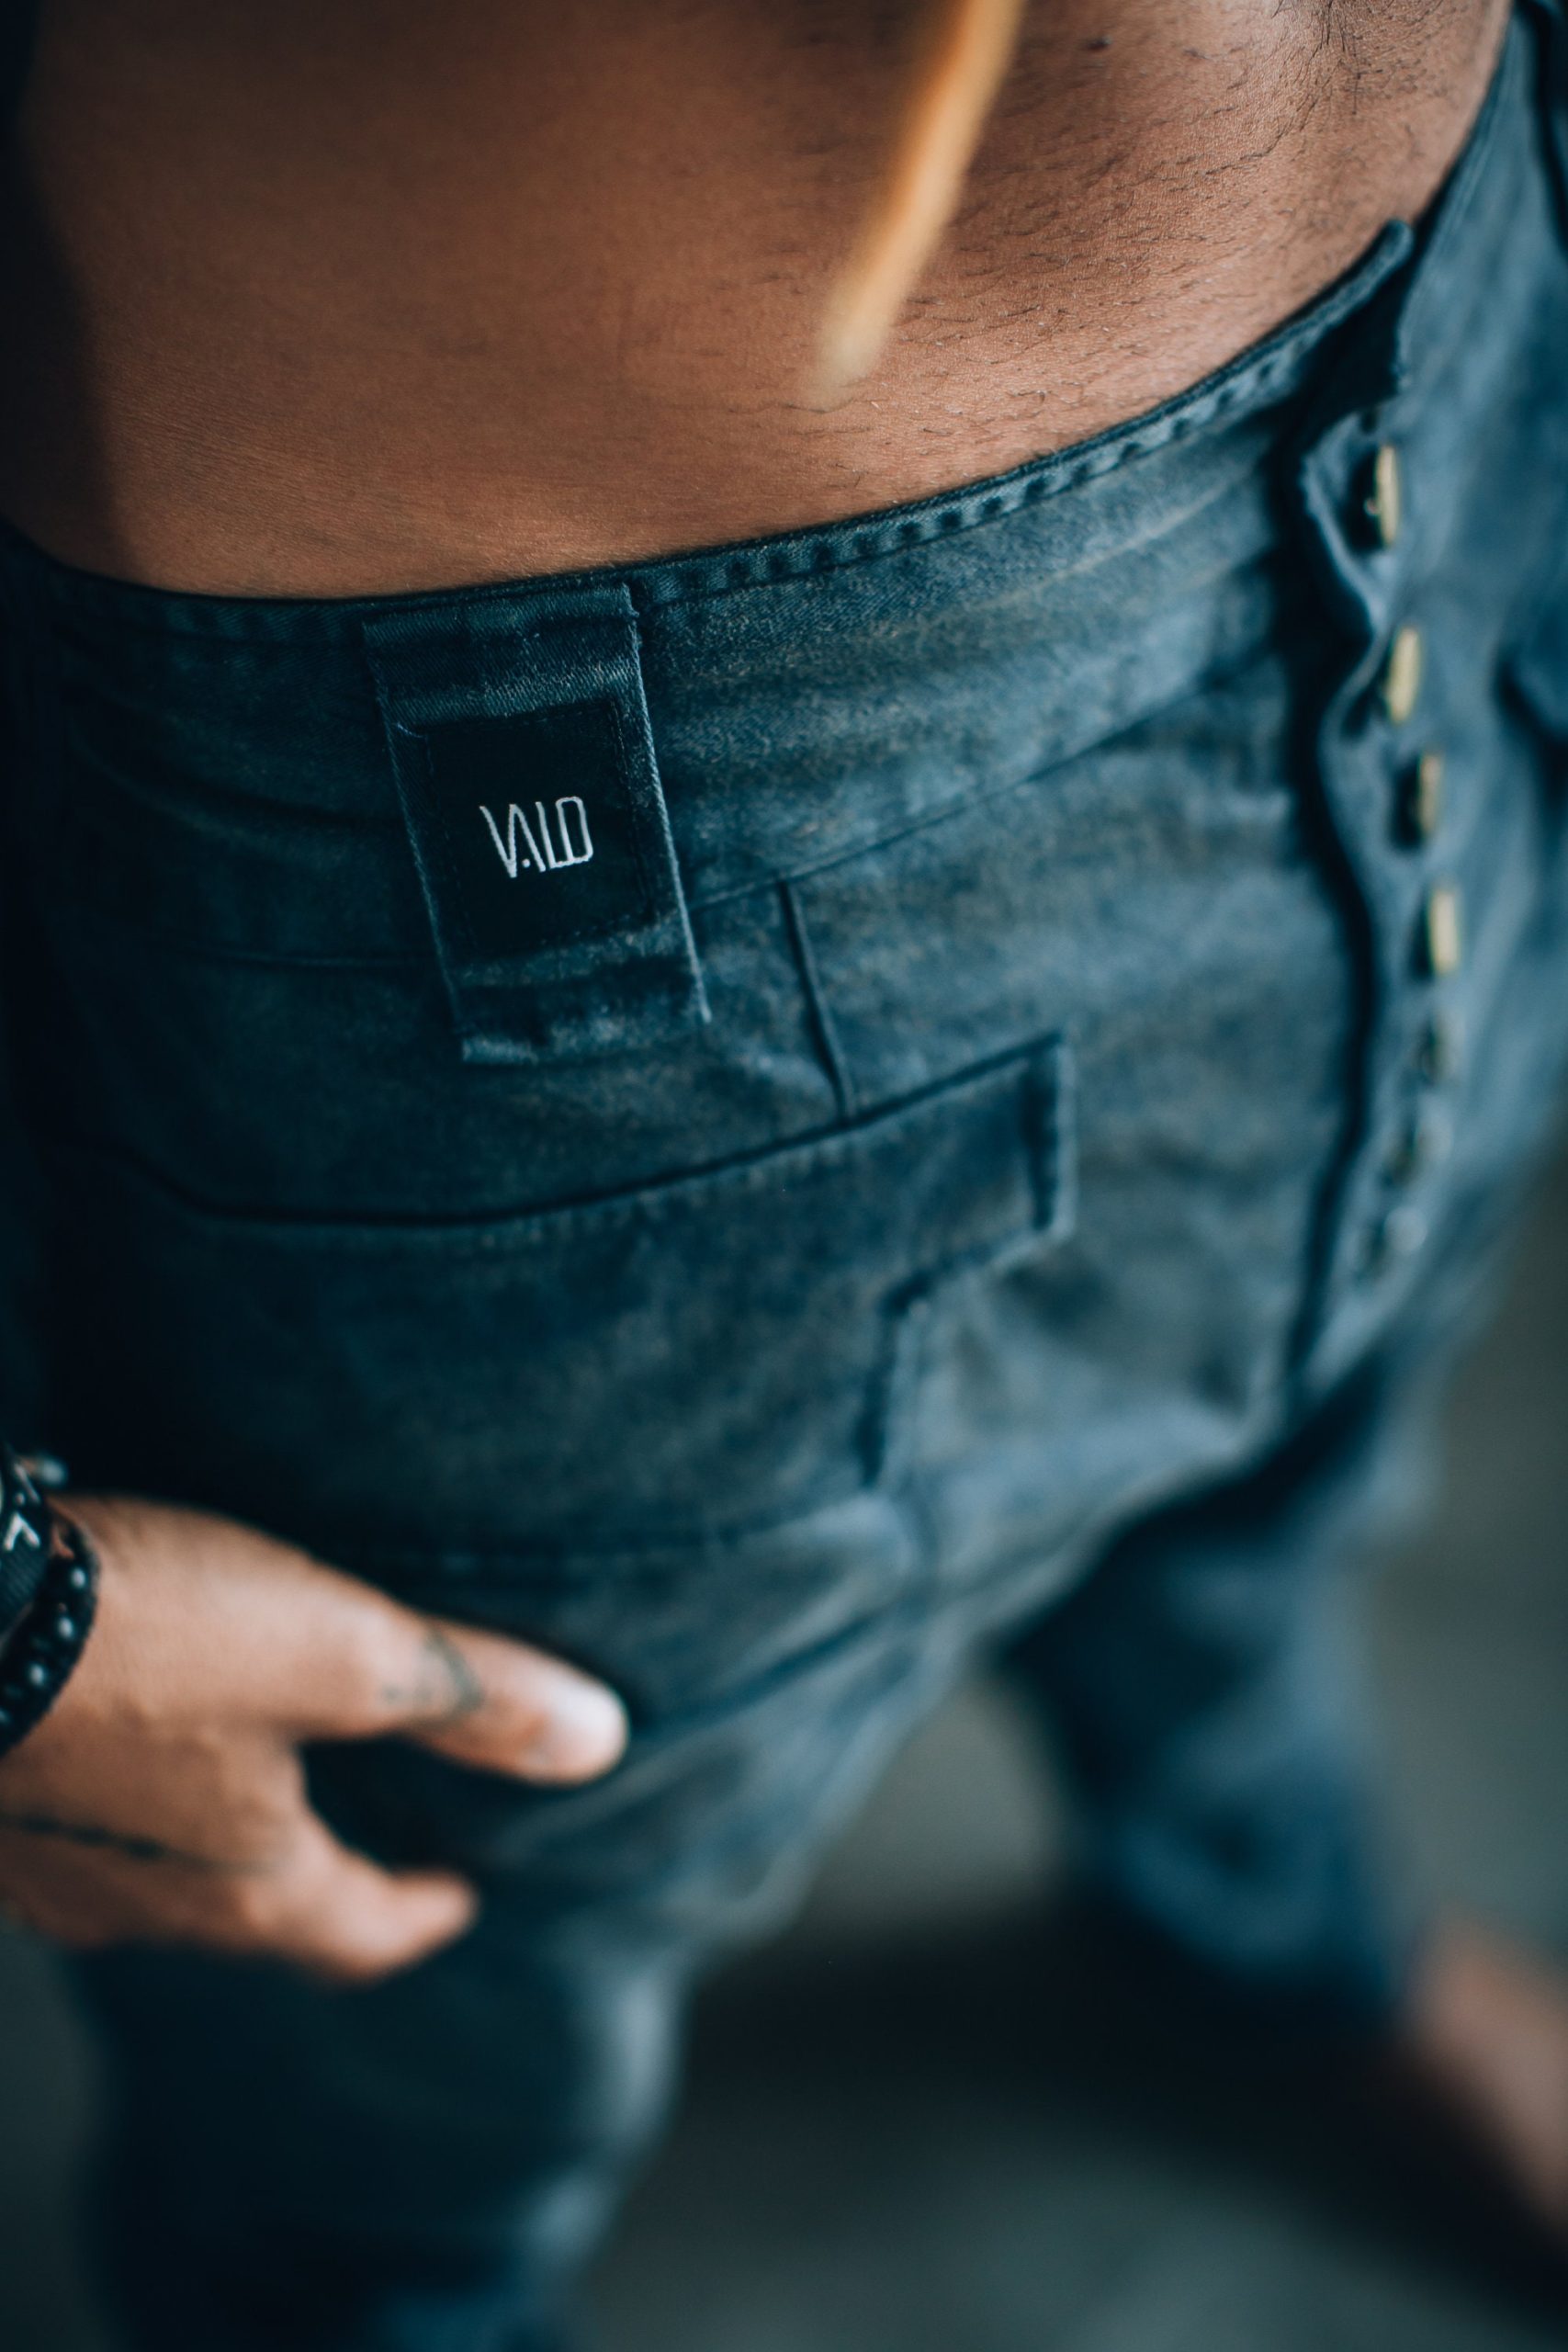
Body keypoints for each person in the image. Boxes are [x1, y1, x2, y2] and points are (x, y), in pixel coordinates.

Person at [1, 2, 1567, 2345]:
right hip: (574, 840)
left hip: (1466, 389)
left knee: (1277, 1470)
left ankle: (1270, 1922)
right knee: (402, 2030)